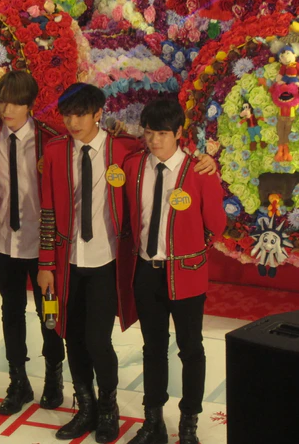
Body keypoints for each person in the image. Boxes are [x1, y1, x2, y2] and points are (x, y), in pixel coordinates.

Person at [36, 84, 217, 443]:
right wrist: (45, 263)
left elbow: (168, 152)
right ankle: (86, 407)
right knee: (72, 337)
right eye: (67, 115)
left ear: (98, 114)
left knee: (99, 340)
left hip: (109, 261)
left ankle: (110, 409)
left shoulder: (123, 149)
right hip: (67, 261)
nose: (73, 122)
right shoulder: (56, 150)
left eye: (81, 114)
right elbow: (48, 210)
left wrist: (206, 160)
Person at [123, 99, 226, 444]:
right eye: (149, 133)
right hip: (146, 271)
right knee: (152, 348)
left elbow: (216, 225)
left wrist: (191, 250)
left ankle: (188, 423)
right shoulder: (135, 165)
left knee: (190, 348)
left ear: (179, 133)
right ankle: (153, 421)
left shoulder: (199, 171)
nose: (154, 141)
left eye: (162, 134)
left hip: (186, 272)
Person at [0, 71, 66, 416]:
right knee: (10, 310)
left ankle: (54, 375)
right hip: (2, 240)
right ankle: (18, 381)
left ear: (30, 105)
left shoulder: (49, 139)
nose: (7, 110)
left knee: (48, 311)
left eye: (15, 103)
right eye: (2, 102)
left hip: (41, 243)